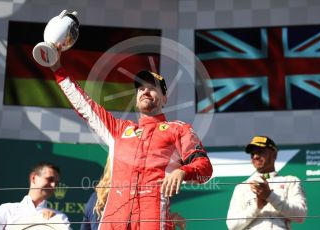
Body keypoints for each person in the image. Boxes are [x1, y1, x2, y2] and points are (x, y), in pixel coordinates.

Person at [49, 47, 213, 229]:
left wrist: (182, 172)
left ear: (164, 98)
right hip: (112, 222)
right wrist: (57, 68)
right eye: (141, 88)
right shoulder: (118, 129)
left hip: (154, 221)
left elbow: (205, 169)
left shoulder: (179, 129)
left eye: (152, 88)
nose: (145, 91)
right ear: (136, 98)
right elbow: (83, 104)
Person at [226, 136, 307, 230]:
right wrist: (257, 207)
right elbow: (232, 226)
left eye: (260, 152)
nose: (255, 156)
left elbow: (300, 216)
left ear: (274, 155)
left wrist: (270, 196)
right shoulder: (242, 187)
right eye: (252, 153)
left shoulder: (291, 181)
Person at [0, 162, 71, 230]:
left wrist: (53, 222)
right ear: (33, 178)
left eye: (56, 183)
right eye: (50, 179)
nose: (53, 185)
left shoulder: (58, 217)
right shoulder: (7, 210)